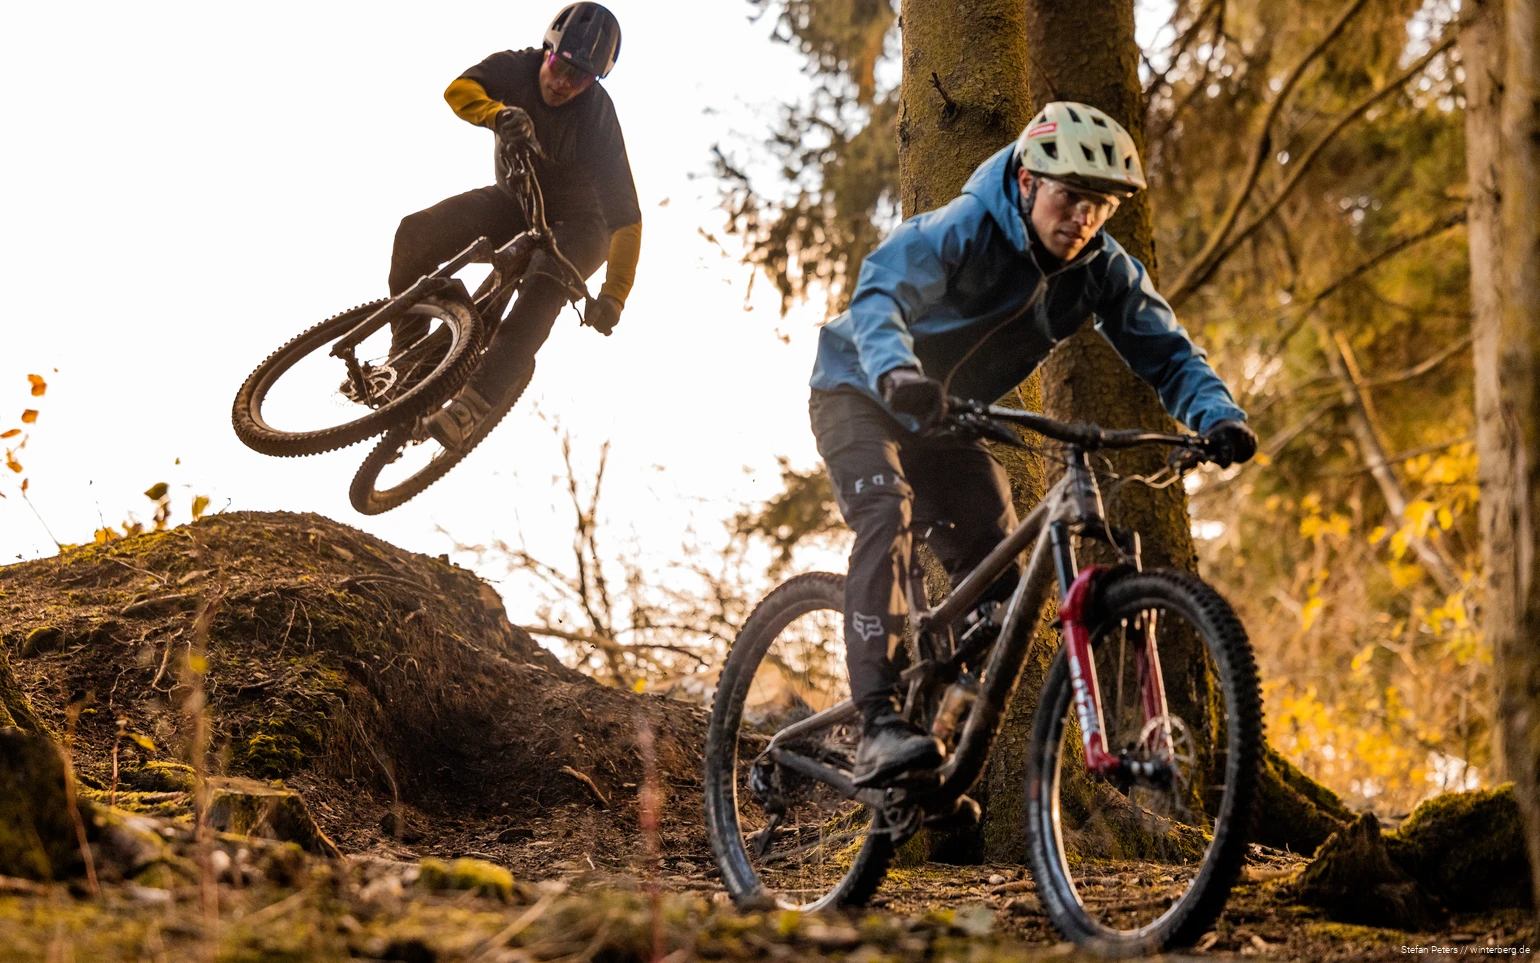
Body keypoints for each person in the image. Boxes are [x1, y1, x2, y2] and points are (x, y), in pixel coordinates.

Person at [807, 101, 1258, 787]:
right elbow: (882, 293)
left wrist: (1216, 416)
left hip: (947, 419)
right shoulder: (966, 226)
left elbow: (1168, 353)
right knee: (885, 513)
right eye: (1070, 196)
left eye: (1100, 205)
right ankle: (876, 723)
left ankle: (932, 752)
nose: (1082, 217)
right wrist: (897, 371)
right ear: (1026, 183)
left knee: (999, 582)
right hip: (861, 388)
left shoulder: (1103, 269)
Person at [387, 2, 642, 449]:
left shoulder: (597, 117)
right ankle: (407, 362)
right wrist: (497, 114)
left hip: (584, 227)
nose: (563, 84)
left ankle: (473, 405)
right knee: (416, 234)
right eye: (560, 67)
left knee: (544, 284)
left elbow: (627, 219)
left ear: (593, 82)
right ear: (548, 51)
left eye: (580, 78)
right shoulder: (516, 67)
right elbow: (459, 89)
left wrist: (614, 296)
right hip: (517, 201)